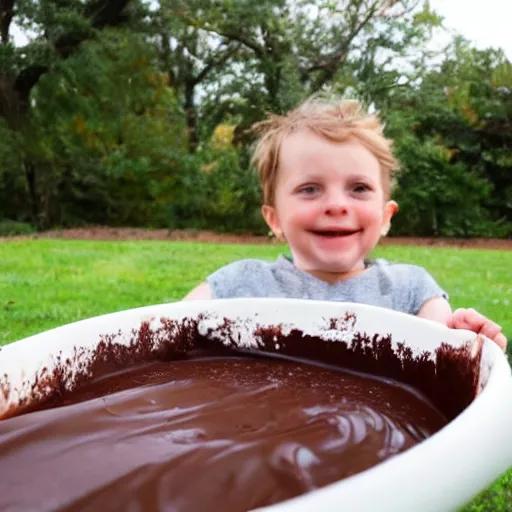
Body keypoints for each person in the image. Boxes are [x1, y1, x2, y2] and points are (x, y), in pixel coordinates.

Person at [183, 97, 507, 351]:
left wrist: (472, 347)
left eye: (359, 188)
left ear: (385, 217)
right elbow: (166, 332)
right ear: (275, 218)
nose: (337, 205)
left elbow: (446, 360)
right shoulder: (241, 285)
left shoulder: (411, 292)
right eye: (310, 189)